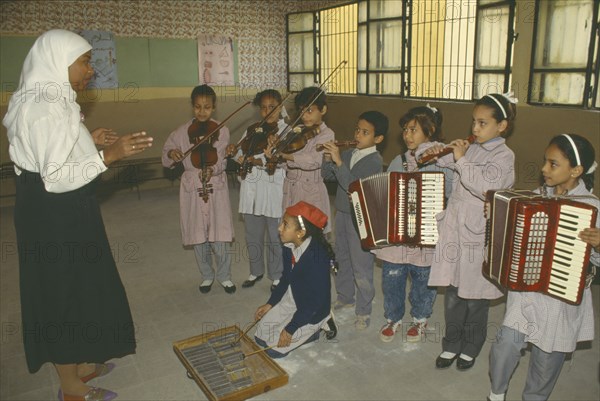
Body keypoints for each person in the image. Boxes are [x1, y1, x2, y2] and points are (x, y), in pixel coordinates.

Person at [3, 29, 154, 401]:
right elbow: (53, 177)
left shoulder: (51, 96)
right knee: (61, 291)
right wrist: (108, 156)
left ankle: (78, 363)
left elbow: (57, 148)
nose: (92, 70)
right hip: (52, 212)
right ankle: (69, 385)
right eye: (85, 61)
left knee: (82, 281)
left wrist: (88, 138)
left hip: (66, 207)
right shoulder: (43, 107)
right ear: (58, 61)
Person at [488, 134, 599, 401]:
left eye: (553, 164)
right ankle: (496, 394)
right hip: (526, 291)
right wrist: (497, 219)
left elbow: (594, 264)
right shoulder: (534, 197)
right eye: (544, 162)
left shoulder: (592, 207)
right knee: (505, 346)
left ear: (576, 171)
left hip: (561, 299)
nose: (543, 169)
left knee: (547, 359)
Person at [416, 92, 517, 370]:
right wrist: (439, 152)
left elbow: (486, 185)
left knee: (476, 297)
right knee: (453, 293)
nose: (475, 129)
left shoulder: (504, 155)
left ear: (502, 126)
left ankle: (471, 347)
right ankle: (451, 345)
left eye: (483, 123)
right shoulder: (470, 147)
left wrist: (460, 159)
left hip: (478, 232)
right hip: (455, 229)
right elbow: (438, 159)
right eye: (474, 122)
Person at [373, 105, 454, 342]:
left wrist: (444, 160)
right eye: (405, 130)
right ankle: (393, 317)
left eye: (413, 130)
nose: (407, 135)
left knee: (423, 279)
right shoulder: (399, 161)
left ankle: (420, 318)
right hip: (399, 234)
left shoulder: (442, 160)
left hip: (427, 233)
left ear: (431, 131)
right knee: (392, 277)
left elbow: (451, 190)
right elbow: (387, 191)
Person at [162, 85, 236, 294]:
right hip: (192, 186)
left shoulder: (222, 130)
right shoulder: (181, 131)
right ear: (192, 107)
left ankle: (224, 276)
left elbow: (222, 159)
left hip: (215, 185)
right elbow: (167, 151)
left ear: (214, 108)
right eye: (197, 107)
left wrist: (212, 169)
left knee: (219, 234)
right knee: (197, 234)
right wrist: (172, 153)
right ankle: (206, 275)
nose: (202, 112)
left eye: (207, 107)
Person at [321, 110, 388, 330]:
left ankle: (364, 310)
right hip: (341, 213)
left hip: (360, 219)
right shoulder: (349, 153)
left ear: (377, 139)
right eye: (357, 130)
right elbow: (328, 176)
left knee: (361, 265)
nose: (358, 135)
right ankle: (345, 296)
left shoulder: (374, 161)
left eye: (365, 132)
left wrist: (339, 162)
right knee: (341, 259)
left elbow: (353, 187)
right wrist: (328, 158)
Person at [254, 201, 337, 358]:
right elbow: (285, 278)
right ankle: (299, 328)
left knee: (272, 350)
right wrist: (270, 303)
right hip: (293, 300)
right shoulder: (289, 246)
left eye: (285, 225)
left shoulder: (317, 259)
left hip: (311, 310)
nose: (279, 228)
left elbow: (313, 303)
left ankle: (318, 327)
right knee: (260, 337)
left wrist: (291, 328)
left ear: (300, 233)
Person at [226, 89, 287, 292]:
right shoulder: (253, 129)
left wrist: (255, 159)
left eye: (273, 107)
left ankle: (277, 275)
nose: (268, 112)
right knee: (252, 234)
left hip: (272, 188)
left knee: (275, 234)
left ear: (280, 107)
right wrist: (236, 155)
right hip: (251, 187)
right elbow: (240, 152)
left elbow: (279, 161)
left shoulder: (286, 130)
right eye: (264, 108)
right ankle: (256, 271)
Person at [266, 86, 334, 233]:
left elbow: (313, 160)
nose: (304, 116)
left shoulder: (327, 134)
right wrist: (275, 153)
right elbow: (285, 165)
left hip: (310, 190)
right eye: (302, 111)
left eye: (310, 111)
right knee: (290, 234)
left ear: (323, 110)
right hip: (290, 189)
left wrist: (285, 155)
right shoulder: (296, 132)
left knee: (310, 233)